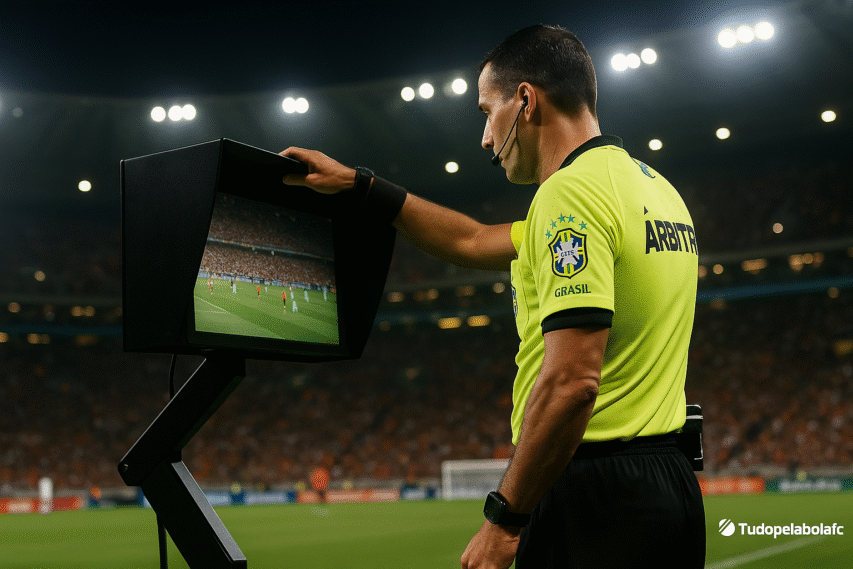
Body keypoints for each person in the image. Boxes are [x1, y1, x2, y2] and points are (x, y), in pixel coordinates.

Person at [281, 24, 704, 569]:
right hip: (668, 486)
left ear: (525, 100)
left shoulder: (567, 195)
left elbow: (574, 380)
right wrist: (361, 185)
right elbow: (472, 239)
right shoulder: (655, 189)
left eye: (487, 111)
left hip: (593, 494)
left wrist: (505, 520)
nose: (484, 137)